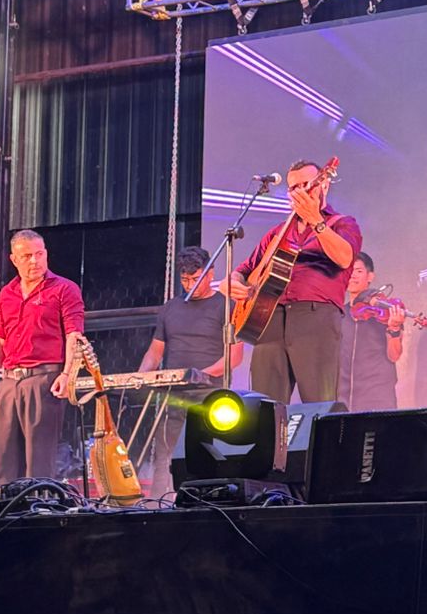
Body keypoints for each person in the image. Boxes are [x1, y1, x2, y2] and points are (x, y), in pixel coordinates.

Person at [223, 160, 362, 404]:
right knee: (264, 407)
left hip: (315, 317)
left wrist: (316, 221)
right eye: (293, 188)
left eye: (306, 184)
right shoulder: (277, 233)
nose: (300, 192)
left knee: (319, 404)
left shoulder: (342, 223)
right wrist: (233, 282)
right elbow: (244, 270)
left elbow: (344, 258)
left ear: (324, 184)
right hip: (269, 320)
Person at [0, 229, 86, 490]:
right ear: (14, 259)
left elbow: (74, 335)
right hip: (8, 381)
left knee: (39, 458)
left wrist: (67, 374)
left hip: (43, 379)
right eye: (27, 256)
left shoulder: (64, 289)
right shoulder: (7, 293)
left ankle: (38, 504)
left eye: (40, 254)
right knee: (0, 457)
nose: (35, 261)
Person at [136, 246, 246, 500]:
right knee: (166, 457)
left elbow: (234, 357)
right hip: (174, 397)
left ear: (210, 273)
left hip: (211, 399)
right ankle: (161, 504)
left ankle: (210, 503)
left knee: (208, 454)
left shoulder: (227, 307)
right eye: (185, 280)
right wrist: (141, 375)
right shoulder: (170, 308)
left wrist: (197, 374)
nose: (190, 285)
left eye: (196, 278)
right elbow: (155, 352)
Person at [338, 253, 406, 411]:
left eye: (359, 271)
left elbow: (394, 355)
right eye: (349, 271)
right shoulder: (338, 314)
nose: (352, 275)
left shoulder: (385, 312)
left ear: (370, 276)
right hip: (343, 399)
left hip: (377, 396)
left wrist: (394, 329)